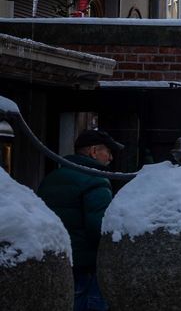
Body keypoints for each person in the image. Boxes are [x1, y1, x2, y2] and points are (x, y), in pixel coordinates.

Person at [38, 128, 123, 311]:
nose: (110, 158)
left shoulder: (51, 178)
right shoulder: (96, 181)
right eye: (108, 152)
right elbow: (99, 228)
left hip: (59, 260)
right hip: (87, 266)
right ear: (94, 151)